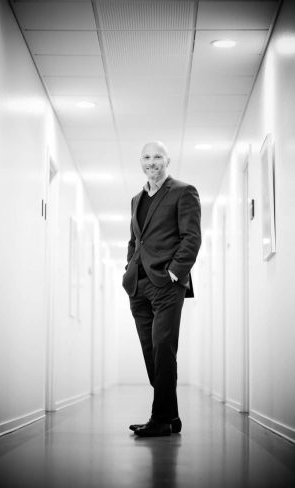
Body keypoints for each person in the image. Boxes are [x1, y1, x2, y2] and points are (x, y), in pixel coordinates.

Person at [122, 140, 201, 437]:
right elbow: (135, 240)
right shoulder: (135, 199)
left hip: (167, 285)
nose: (151, 162)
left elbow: (191, 238)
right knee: (150, 350)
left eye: (157, 157)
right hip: (138, 285)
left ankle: (160, 418)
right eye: (146, 157)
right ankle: (171, 416)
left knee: (164, 348)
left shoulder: (183, 191)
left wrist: (174, 273)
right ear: (140, 162)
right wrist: (129, 266)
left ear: (168, 160)